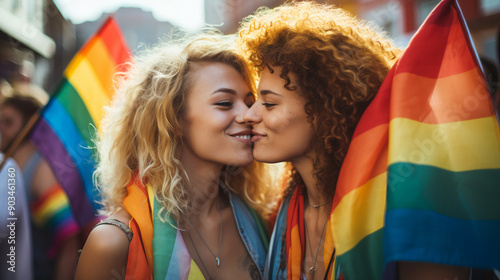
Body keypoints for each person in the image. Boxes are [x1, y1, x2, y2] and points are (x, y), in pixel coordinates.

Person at [238, 2, 474, 280]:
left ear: (326, 110)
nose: (248, 115)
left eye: (268, 103)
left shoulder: (405, 210)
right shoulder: (281, 207)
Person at [76, 33, 279, 280]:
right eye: (225, 103)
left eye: (249, 102)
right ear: (173, 119)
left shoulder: (262, 217)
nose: (248, 115)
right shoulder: (112, 243)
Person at [0, 90, 80, 280]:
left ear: (29, 125)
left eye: (8, 122)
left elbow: (69, 238)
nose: (0, 128)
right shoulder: (9, 165)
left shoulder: (40, 172)